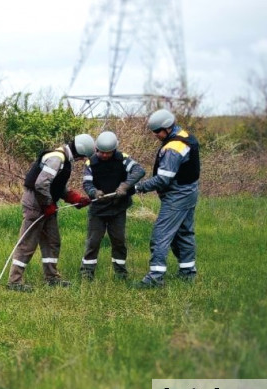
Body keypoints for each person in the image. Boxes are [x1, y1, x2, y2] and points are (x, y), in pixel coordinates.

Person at [7, 134, 94, 292]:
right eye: (83, 157)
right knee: (27, 243)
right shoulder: (57, 159)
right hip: (36, 202)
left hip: (46, 202)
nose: (82, 160)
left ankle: (52, 278)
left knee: (52, 241)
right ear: (80, 153)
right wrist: (47, 204)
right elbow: (40, 184)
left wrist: (75, 198)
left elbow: (56, 186)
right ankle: (14, 281)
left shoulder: (64, 160)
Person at [132, 109, 201, 289]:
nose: (155, 135)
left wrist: (138, 187)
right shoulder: (185, 136)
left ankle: (155, 278)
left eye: (157, 131)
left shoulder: (173, 148)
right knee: (184, 233)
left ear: (167, 128)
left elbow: (163, 178)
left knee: (160, 236)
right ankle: (188, 273)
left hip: (177, 196)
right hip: (190, 192)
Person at [79, 131, 145, 281]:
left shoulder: (124, 159)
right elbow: (87, 183)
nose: (103, 155)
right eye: (101, 152)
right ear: (96, 149)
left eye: (107, 153)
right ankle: (86, 273)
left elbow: (139, 170)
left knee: (119, 240)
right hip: (98, 209)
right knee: (93, 242)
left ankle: (121, 273)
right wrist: (93, 192)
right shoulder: (91, 163)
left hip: (118, 208)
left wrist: (126, 185)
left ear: (114, 150)